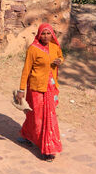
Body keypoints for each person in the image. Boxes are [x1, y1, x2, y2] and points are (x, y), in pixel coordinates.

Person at [17, 23, 64, 162]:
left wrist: (59, 61)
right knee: (37, 117)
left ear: (52, 34)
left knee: (48, 117)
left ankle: (45, 147)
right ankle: (36, 141)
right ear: (38, 35)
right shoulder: (33, 49)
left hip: (50, 88)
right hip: (36, 88)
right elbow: (26, 70)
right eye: (43, 33)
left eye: (48, 33)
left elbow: (61, 56)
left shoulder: (55, 47)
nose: (45, 36)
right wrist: (21, 90)